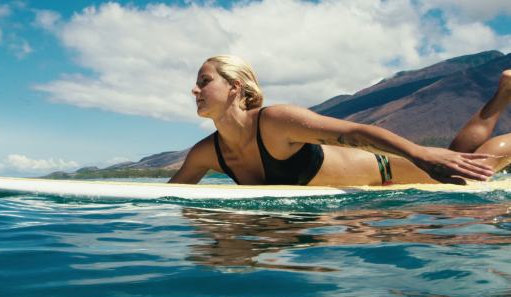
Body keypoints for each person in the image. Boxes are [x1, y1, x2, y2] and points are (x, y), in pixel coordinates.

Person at [169, 55, 511, 186]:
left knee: (476, 168)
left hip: (389, 169)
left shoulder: (275, 121)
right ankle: (506, 91)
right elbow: (164, 199)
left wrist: (420, 155)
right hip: (376, 185)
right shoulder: (206, 153)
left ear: (235, 88)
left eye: (204, 81)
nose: (194, 89)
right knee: (458, 154)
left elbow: (354, 131)